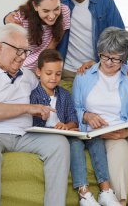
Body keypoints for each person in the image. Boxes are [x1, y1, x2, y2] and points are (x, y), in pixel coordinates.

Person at [0, 23, 70, 206]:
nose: (22, 57)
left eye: (25, 52)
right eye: (18, 51)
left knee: (59, 144)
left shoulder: (27, 76)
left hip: (22, 135)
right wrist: (28, 108)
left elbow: (51, 85)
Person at [72, 27, 128, 206]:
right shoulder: (84, 76)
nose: (110, 62)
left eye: (116, 58)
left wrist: (126, 131)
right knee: (120, 152)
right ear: (99, 53)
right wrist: (87, 116)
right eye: (105, 56)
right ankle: (120, 202)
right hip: (104, 132)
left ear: (124, 57)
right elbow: (75, 109)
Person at [5, 0, 125, 80]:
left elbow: (120, 37)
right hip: (62, 71)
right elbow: (29, 11)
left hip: (96, 70)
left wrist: (105, 64)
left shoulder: (104, 0)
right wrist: (7, 18)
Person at [30, 49, 120, 206]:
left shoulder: (64, 94)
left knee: (96, 140)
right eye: (49, 73)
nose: (53, 78)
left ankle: (105, 190)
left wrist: (67, 126)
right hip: (50, 137)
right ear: (39, 72)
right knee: (76, 144)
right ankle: (84, 193)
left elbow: (73, 119)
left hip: (67, 132)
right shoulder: (34, 96)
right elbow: (35, 126)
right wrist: (58, 129)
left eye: (58, 74)